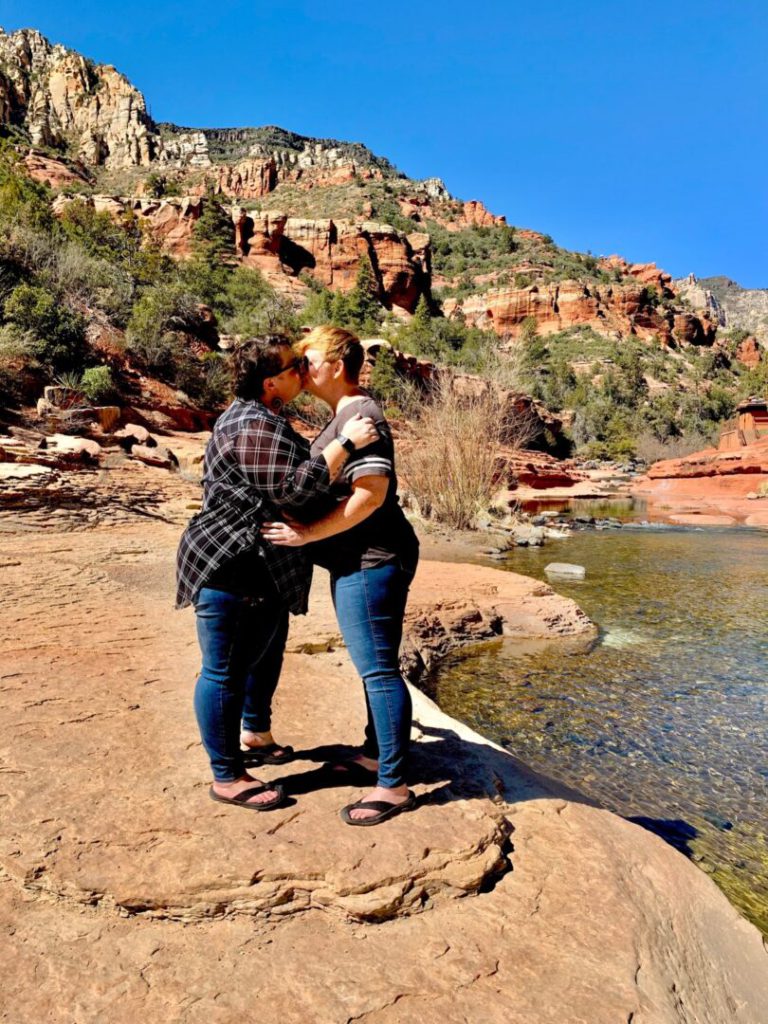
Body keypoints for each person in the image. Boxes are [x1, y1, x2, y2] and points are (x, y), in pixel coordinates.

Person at [176, 334, 378, 811]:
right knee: (223, 671)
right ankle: (226, 777)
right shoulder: (251, 424)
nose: (302, 373)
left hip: (259, 567)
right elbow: (293, 489)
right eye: (294, 367)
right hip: (233, 564)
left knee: (262, 653)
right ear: (272, 382)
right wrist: (347, 444)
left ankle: (255, 735)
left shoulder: (263, 417)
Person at [262, 326, 420, 826]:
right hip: (361, 560)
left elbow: (371, 496)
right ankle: (376, 756)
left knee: (378, 669)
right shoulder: (344, 419)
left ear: (334, 363)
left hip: (373, 559)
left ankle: (392, 786)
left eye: (307, 359)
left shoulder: (361, 414)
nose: (301, 368)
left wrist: (308, 535)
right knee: (377, 664)